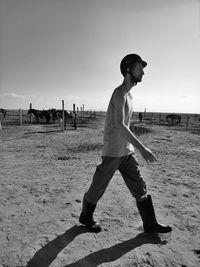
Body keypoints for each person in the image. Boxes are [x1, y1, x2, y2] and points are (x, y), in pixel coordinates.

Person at [79, 54, 172, 234]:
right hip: (113, 151)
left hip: (126, 152)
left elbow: (126, 126)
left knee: (139, 186)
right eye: (139, 68)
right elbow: (119, 125)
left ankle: (150, 224)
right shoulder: (120, 93)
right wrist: (142, 148)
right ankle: (86, 217)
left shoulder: (129, 95)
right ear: (128, 69)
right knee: (98, 187)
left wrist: (133, 147)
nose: (143, 72)